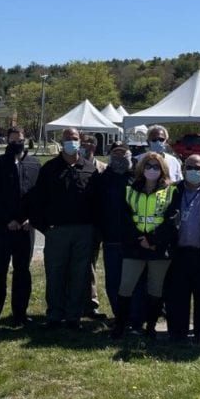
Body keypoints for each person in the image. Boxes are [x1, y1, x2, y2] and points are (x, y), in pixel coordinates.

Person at [28, 127, 99, 329]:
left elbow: (97, 202)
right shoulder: (49, 168)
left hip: (83, 231)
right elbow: (37, 201)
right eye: (67, 138)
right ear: (61, 141)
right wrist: (45, 227)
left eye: (74, 138)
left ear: (80, 141)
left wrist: (94, 228)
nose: (71, 141)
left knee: (79, 275)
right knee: (55, 273)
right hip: (56, 231)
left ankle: (73, 316)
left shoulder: (90, 169)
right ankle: (54, 314)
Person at [110, 153, 178, 339]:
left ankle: (151, 327)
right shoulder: (130, 190)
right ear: (141, 168)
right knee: (126, 286)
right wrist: (140, 239)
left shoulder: (171, 191)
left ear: (162, 170)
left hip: (159, 249)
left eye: (156, 167)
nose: (152, 170)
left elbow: (172, 220)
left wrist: (153, 240)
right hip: (135, 246)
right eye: (148, 166)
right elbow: (124, 218)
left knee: (155, 289)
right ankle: (120, 326)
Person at [0, 127, 41, 325]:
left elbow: (38, 196)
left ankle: (19, 314)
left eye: (20, 140)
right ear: (7, 141)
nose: (17, 143)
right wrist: (7, 219)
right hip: (3, 227)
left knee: (22, 271)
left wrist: (30, 219)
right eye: (13, 140)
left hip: (25, 229)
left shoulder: (34, 164)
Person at [165, 154, 200, 344]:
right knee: (177, 294)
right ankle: (177, 333)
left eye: (197, 167)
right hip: (179, 251)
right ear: (183, 169)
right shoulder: (173, 190)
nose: (193, 171)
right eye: (189, 167)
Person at [94, 141, 136, 320]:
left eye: (123, 154)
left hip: (132, 240)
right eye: (115, 154)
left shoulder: (137, 179)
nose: (119, 158)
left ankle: (134, 316)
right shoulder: (102, 179)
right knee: (113, 280)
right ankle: (119, 316)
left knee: (133, 281)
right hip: (110, 238)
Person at [80, 132, 107, 319]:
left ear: (95, 147)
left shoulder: (103, 168)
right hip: (78, 222)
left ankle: (91, 303)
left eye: (89, 143)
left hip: (96, 224)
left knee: (90, 264)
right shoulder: (74, 165)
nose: (85, 145)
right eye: (83, 143)